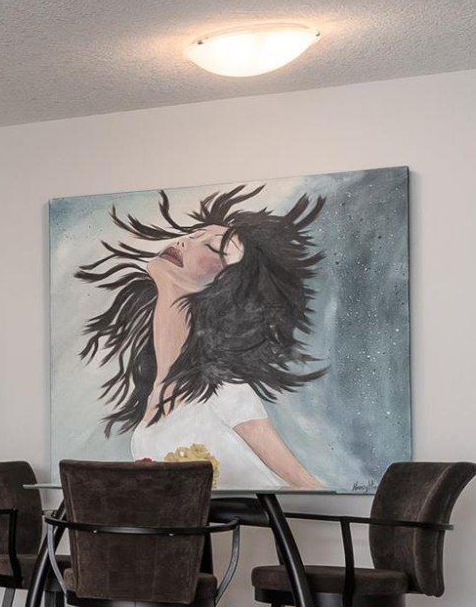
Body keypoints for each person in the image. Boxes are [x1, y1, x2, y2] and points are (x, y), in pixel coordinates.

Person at [74, 183, 325, 490]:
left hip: (249, 519)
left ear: (227, 287)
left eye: (212, 248)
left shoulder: (227, 392)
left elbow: (306, 486)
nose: (185, 242)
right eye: (194, 235)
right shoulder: (153, 394)